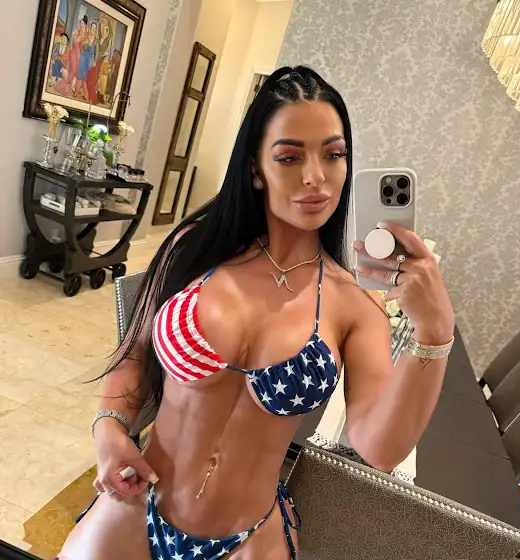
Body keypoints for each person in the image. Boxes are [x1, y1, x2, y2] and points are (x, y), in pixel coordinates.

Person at [58, 66, 454, 560]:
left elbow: (380, 449)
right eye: (289, 157)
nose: (316, 177)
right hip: (138, 508)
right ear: (255, 168)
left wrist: (434, 331)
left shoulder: (355, 302)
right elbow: (136, 354)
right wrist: (109, 429)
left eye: (333, 154)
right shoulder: (194, 248)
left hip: (247, 541)